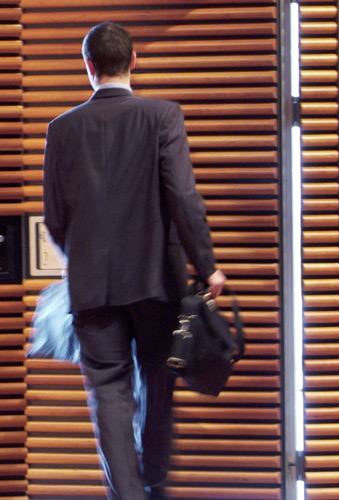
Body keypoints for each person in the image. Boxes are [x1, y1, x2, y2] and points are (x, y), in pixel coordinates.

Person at [42, 22, 227, 500]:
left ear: (88, 67)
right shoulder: (162, 116)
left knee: (109, 395)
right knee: (158, 382)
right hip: (156, 283)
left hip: (92, 289)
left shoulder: (61, 130)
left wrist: (81, 257)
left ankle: (127, 493)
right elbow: (183, 197)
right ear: (133, 61)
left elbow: (55, 216)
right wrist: (207, 266)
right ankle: (155, 476)